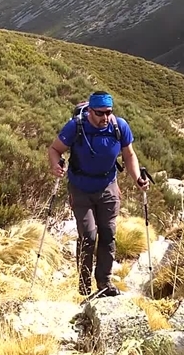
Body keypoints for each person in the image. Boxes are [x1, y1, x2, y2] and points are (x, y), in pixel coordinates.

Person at [48, 91, 150, 297]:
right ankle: (84, 286)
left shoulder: (119, 126)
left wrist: (138, 178)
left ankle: (104, 282)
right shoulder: (76, 127)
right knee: (88, 235)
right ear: (90, 112)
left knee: (109, 235)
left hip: (108, 186)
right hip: (80, 187)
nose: (105, 117)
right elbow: (54, 149)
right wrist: (55, 165)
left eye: (108, 112)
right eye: (100, 113)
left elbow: (129, 155)